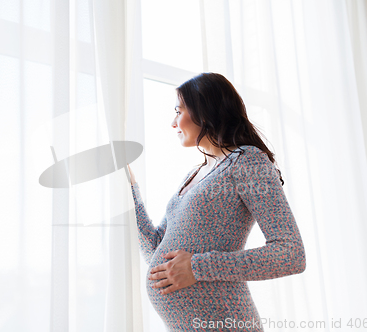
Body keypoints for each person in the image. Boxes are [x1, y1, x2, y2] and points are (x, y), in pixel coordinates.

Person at [127, 72, 306, 332]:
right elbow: (156, 251)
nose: (173, 122)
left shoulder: (247, 161)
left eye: (178, 111)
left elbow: (291, 255)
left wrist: (198, 267)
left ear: (205, 110)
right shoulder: (194, 174)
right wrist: (131, 189)